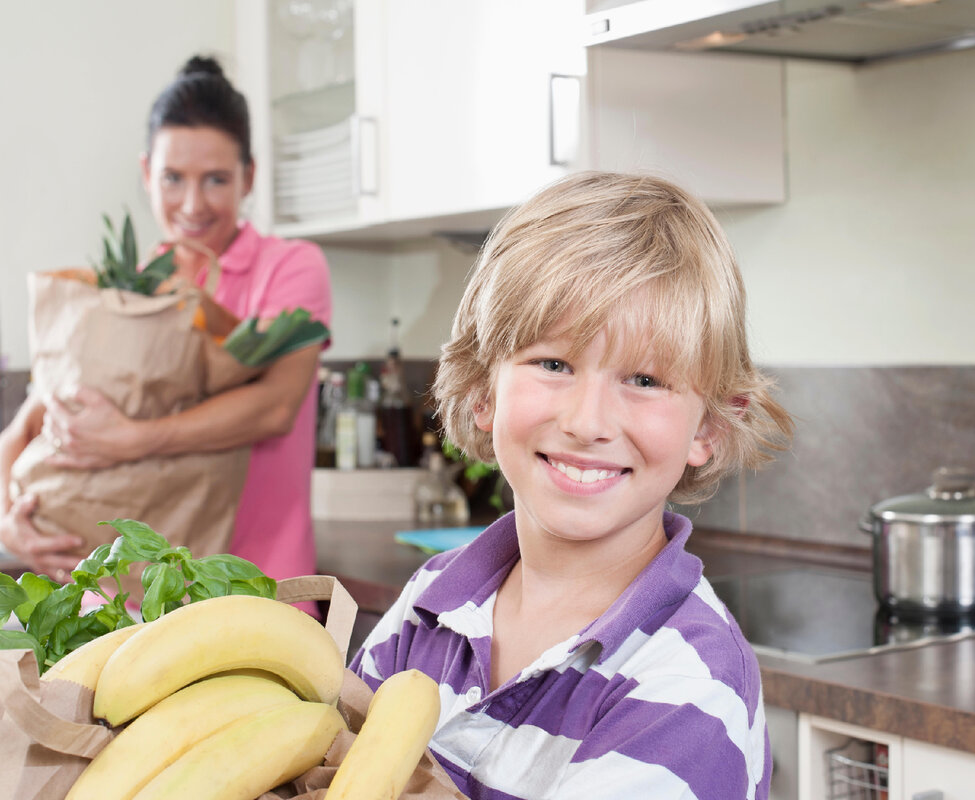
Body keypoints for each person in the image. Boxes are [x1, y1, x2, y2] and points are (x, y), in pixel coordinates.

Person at [351, 171, 794, 799]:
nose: (587, 423)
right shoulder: (433, 601)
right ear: (483, 391)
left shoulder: (687, 681)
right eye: (553, 364)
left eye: (644, 380)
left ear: (712, 426)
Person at [0, 55, 332, 591]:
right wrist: (7, 516)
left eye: (216, 180)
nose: (192, 204)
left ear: (249, 176)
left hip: (260, 588)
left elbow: (274, 407)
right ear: (146, 173)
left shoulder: (290, 268)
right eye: (173, 178)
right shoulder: (128, 289)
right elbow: (27, 425)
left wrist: (131, 439)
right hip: (138, 599)